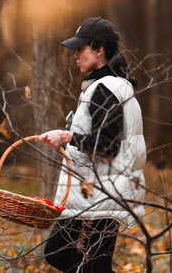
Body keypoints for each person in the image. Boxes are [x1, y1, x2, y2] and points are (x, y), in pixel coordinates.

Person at [39, 17, 146, 273]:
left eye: (81, 49)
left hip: (99, 193)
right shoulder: (110, 85)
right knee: (96, 266)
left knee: (58, 252)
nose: (75, 56)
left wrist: (66, 137)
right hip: (102, 190)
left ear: (99, 50)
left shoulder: (105, 89)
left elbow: (107, 147)